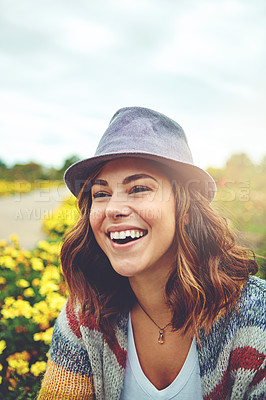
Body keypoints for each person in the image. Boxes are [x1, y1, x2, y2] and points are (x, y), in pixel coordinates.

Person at [37, 107, 265, 400]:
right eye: (101, 194)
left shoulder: (257, 319)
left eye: (139, 188)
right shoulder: (85, 316)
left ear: (184, 209)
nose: (114, 209)